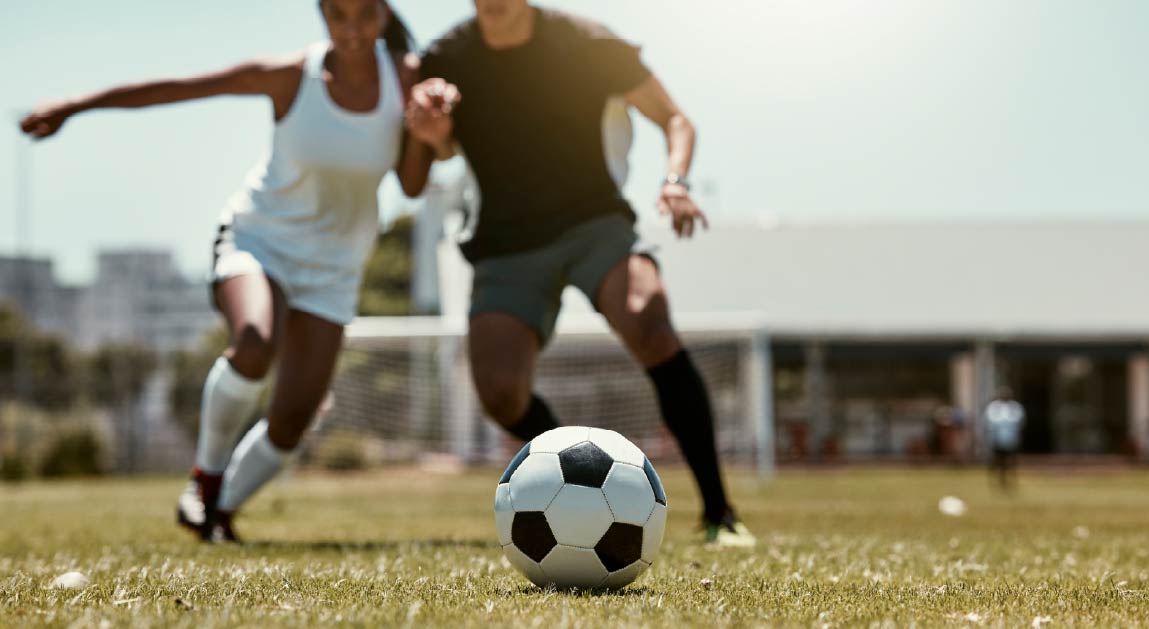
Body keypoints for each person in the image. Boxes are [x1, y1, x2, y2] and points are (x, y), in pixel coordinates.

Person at [20, 0, 448, 542]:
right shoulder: (291, 77)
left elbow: (410, 185)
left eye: (364, 14)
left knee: (292, 421)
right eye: (338, 15)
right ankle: (205, 479)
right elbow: (179, 87)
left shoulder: (407, 78)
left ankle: (215, 514)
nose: (352, 28)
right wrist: (75, 105)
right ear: (322, 16)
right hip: (258, 241)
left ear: (383, 16)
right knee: (253, 342)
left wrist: (430, 139)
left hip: (334, 269)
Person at [404, 0, 755, 546]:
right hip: (505, 241)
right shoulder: (447, 58)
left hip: (594, 222)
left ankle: (719, 512)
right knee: (499, 394)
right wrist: (432, 131)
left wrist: (676, 181)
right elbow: (441, 148)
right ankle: (582, 475)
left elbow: (675, 119)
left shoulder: (587, 44)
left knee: (650, 322)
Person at [985, 387, 1025, 491]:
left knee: (1011, 461)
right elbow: (990, 421)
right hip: (997, 438)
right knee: (997, 460)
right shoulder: (994, 407)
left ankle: (1011, 481)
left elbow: (1019, 421)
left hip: (1011, 438)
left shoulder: (1015, 407)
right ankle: (997, 481)